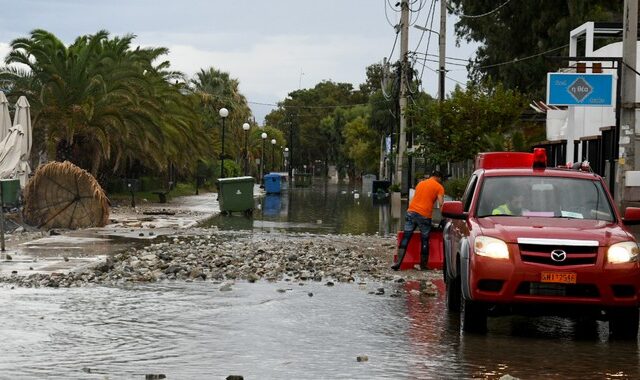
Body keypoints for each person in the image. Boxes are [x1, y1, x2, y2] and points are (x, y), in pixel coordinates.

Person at [392, 170, 445, 271]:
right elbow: (441, 204)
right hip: (424, 215)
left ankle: (398, 263)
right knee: (425, 239)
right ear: (438, 177)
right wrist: (444, 216)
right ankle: (423, 265)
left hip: (411, 212)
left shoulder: (420, 183)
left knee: (406, 237)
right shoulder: (439, 187)